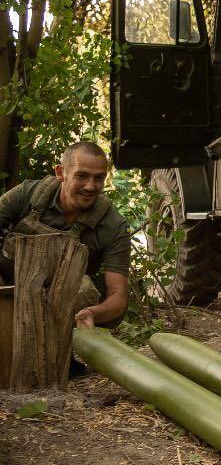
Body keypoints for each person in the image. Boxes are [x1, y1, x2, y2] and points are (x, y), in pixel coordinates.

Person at [0, 141, 130, 330]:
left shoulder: (113, 225)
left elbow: (118, 297)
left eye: (99, 178)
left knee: (84, 291)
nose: (91, 186)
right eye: (82, 176)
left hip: (61, 312)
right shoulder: (27, 194)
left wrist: (92, 313)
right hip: (8, 294)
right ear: (61, 173)